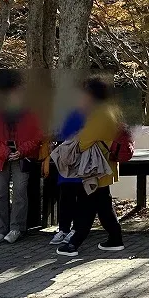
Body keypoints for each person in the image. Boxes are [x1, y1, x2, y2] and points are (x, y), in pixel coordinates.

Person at [56, 75, 125, 257]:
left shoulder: (99, 114)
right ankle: (115, 239)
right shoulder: (112, 110)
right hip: (104, 166)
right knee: (103, 206)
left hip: (95, 168)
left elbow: (84, 142)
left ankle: (74, 243)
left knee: (86, 206)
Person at [0, 68, 45, 245]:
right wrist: (5, 152)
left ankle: (17, 228)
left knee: (19, 193)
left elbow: (38, 136)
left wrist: (22, 150)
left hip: (22, 157)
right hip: (0, 157)